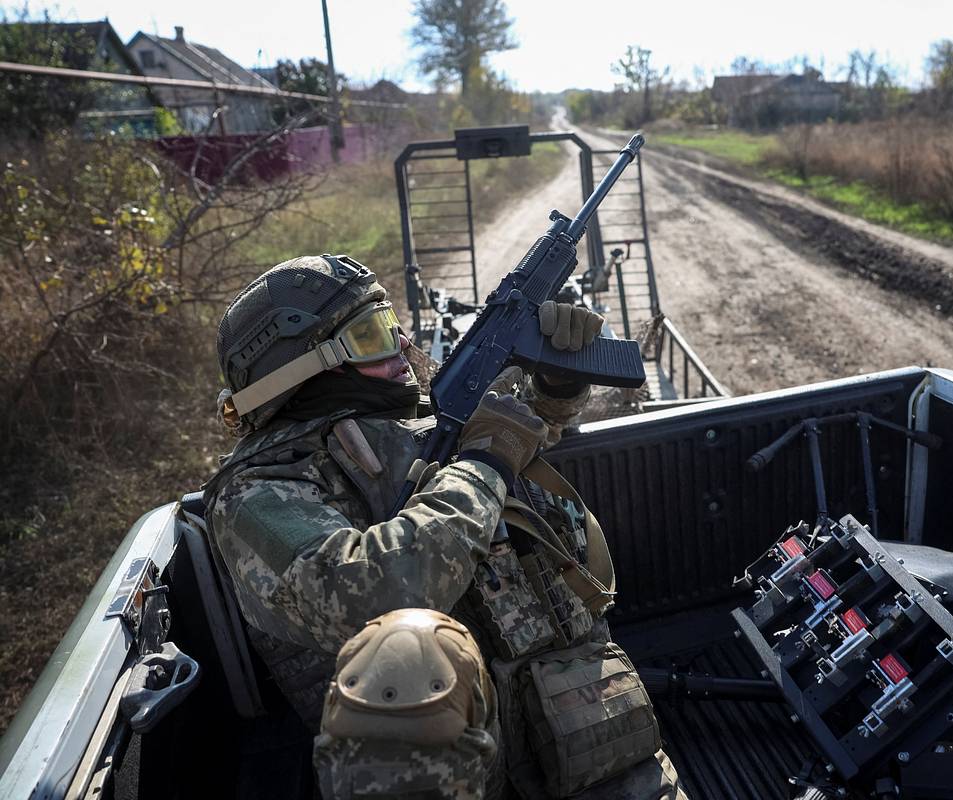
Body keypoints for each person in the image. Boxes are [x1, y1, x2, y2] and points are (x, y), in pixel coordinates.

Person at [204, 254, 686, 800]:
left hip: (586, 730)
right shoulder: (258, 492)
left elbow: (512, 436)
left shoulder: (402, 423)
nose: (401, 349)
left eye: (392, 325)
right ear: (304, 370)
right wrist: (483, 466)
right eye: (370, 337)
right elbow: (376, 590)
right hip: (470, 776)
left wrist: (555, 384)